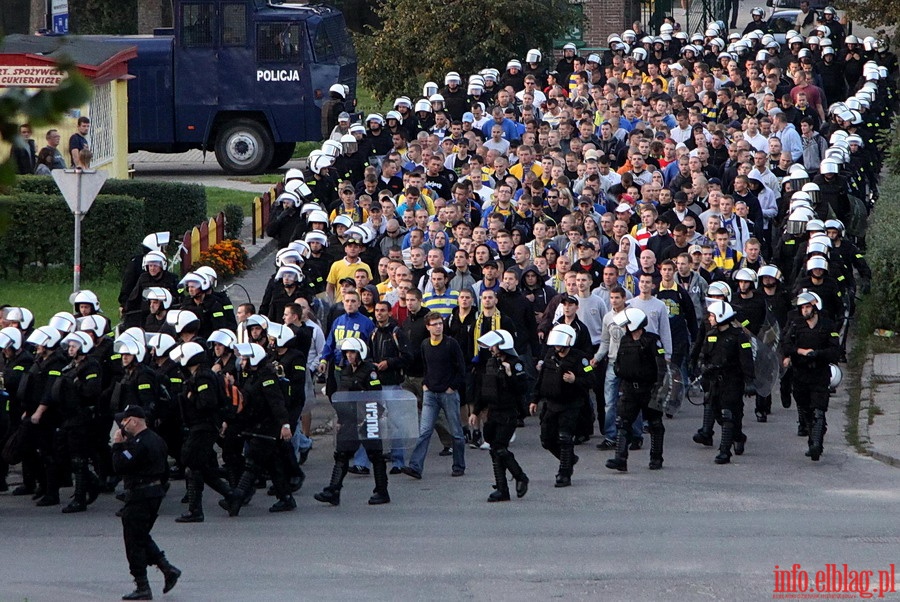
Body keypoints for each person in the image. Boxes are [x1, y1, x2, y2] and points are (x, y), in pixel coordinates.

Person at [112, 405, 181, 600]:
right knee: (140, 535)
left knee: (133, 541)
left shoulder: (139, 443)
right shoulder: (156, 439)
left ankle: (142, 585)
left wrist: (118, 445)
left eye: (125, 421)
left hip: (140, 495)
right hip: (154, 493)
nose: (123, 426)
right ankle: (167, 569)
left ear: (134, 421)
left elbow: (119, 466)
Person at [314, 338, 391, 505]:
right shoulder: (346, 370)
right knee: (341, 455)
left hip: (368, 419)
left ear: (360, 353)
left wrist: (369, 418)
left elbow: (376, 398)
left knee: (376, 456)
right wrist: (341, 419)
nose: (349, 356)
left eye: (352, 352)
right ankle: (333, 491)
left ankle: (382, 491)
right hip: (349, 420)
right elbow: (343, 398)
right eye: (347, 352)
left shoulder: (370, 371)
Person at [170, 342, 232, 523]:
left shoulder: (203, 377)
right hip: (199, 426)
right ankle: (231, 494)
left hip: (204, 426)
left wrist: (191, 397)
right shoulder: (196, 375)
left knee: (191, 461)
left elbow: (207, 402)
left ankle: (197, 509)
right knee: (197, 466)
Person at [401, 312, 467, 479]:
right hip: (430, 393)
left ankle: (458, 465)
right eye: (435, 324)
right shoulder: (425, 344)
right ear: (428, 327)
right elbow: (425, 366)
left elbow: (461, 368)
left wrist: (452, 387)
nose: (438, 327)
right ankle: (415, 467)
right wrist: (425, 384)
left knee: (456, 432)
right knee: (424, 432)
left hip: (448, 394)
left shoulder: (451, 344)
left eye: (440, 323)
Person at [530, 323, 593, 488]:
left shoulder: (580, 358)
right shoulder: (550, 355)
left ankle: (564, 473)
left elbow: (591, 380)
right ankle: (569, 459)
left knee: (565, 438)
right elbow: (541, 378)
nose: (557, 346)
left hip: (571, 404)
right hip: (551, 404)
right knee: (546, 440)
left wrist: (575, 381)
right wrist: (534, 399)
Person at [605, 308, 667, 472]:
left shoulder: (652, 341)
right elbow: (619, 361)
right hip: (629, 389)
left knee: (655, 424)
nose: (625, 328)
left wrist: (659, 387)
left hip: (649, 389)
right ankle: (620, 459)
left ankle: (656, 457)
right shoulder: (625, 340)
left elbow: (661, 366)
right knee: (623, 423)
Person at [781, 291, 840, 461]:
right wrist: (799, 352)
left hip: (820, 373)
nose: (805, 311)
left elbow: (835, 350)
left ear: (814, 307)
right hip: (801, 373)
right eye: (802, 308)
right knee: (805, 409)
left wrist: (818, 354)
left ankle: (817, 444)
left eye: (808, 307)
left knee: (819, 410)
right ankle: (812, 435)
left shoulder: (827, 325)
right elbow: (786, 344)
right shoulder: (796, 325)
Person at [471, 330, 529, 502]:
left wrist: (510, 375)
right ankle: (502, 489)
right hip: (493, 412)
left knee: (499, 448)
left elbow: (523, 389)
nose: (491, 349)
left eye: (494, 346)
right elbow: (484, 389)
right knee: (494, 451)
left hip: (508, 412)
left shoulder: (516, 364)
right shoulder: (491, 363)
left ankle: (520, 477)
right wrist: (475, 411)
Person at [697, 300, 755, 465]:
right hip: (715, 381)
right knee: (717, 414)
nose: (710, 318)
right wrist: (703, 368)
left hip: (732, 381)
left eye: (712, 315)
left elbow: (746, 359)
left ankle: (724, 452)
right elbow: (703, 355)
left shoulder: (739, 336)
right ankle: (738, 436)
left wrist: (750, 380)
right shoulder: (711, 335)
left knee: (728, 413)